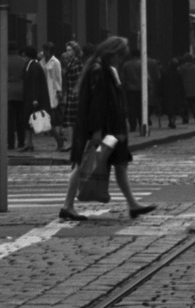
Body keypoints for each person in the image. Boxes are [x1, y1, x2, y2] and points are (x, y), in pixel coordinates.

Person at [59, 36, 155, 222]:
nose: (120, 60)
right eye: (119, 56)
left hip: (111, 129)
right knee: (84, 164)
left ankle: (132, 204)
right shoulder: (98, 71)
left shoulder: (102, 69)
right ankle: (68, 205)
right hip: (104, 130)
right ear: (112, 54)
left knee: (119, 164)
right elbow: (98, 103)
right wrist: (97, 132)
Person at [19, 45, 50, 152]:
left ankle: (58, 139)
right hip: (29, 96)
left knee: (43, 119)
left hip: (34, 97)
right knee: (27, 120)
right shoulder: (30, 65)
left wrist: (35, 98)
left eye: (24, 56)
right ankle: (29, 143)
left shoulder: (34, 66)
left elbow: (35, 83)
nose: (23, 59)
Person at [41, 42, 67, 152]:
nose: (44, 52)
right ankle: (59, 139)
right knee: (47, 120)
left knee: (50, 119)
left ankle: (59, 139)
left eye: (45, 50)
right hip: (43, 91)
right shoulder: (42, 61)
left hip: (52, 92)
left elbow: (58, 78)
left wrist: (59, 91)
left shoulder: (55, 62)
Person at [120, 46, 147, 136]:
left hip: (130, 89)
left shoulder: (126, 65)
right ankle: (141, 122)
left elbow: (123, 78)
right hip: (141, 89)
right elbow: (147, 77)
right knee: (141, 107)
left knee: (132, 108)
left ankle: (132, 125)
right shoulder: (142, 64)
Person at [62, 41, 84, 142]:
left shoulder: (77, 62)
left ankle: (73, 142)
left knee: (73, 120)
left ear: (75, 51)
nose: (68, 52)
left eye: (70, 50)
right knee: (70, 120)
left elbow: (79, 79)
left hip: (75, 94)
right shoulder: (70, 62)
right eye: (67, 50)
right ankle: (72, 141)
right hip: (70, 92)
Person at [159, 57, 186, 129]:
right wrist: (183, 94)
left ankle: (170, 120)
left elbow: (161, 83)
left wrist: (160, 93)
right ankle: (172, 120)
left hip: (167, 93)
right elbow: (181, 84)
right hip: (176, 93)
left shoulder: (165, 72)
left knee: (169, 108)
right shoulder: (178, 73)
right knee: (175, 109)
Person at [181, 54, 195, 124]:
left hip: (185, 87)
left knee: (185, 104)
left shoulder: (182, 67)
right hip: (194, 87)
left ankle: (185, 118)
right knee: (194, 104)